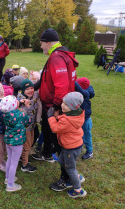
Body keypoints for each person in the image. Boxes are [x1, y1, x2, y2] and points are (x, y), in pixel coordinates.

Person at [32, 28, 78, 162]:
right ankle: (46, 154)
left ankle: (67, 177)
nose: (41, 46)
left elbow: (62, 86)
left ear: (47, 42)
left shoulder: (57, 57)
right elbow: (47, 78)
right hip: (50, 105)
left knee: (57, 139)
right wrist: (31, 86)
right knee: (46, 129)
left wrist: (56, 107)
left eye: (41, 43)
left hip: (54, 106)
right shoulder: (57, 55)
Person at [48, 92, 87, 198]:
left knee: (70, 168)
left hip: (71, 148)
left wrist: (51, 117)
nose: (62, 105)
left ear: (73, 107)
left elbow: (55, 128)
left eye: (65, 104)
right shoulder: (76, 113)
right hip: (71, 145)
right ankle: (77, 176)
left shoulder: (68, 120)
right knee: (61, 161)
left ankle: (78, 190)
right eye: (63, 103)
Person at [0, 95, 31, 192]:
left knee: (9, 158)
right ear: (14, 105)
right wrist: (25, 110)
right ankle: (10, 185)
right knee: (14, 163)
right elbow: (28, 121)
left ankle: (7, 178)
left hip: (8, 140)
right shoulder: (20, 115)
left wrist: (19, 103)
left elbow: (13, 104)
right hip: (17, 142)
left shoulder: (5, 113)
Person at [17, 79, 41, 173]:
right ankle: (24, 165)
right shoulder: (20, 101)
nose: (30, 90)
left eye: (32, 88)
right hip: (25, 127)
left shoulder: (35, 94)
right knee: (26, 146)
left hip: (32, 125)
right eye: (27, 89)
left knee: (30, 143)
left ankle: (22, 157)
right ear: (23, 91)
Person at [75, 77, 95, 160]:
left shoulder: (85, 94)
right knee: (80, 135)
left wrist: (73, 81)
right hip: (81, 119)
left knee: (87, 135)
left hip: (85, 120)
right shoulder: (85, 92)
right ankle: (80, 147)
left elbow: (79, 89)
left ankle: (89, 151)